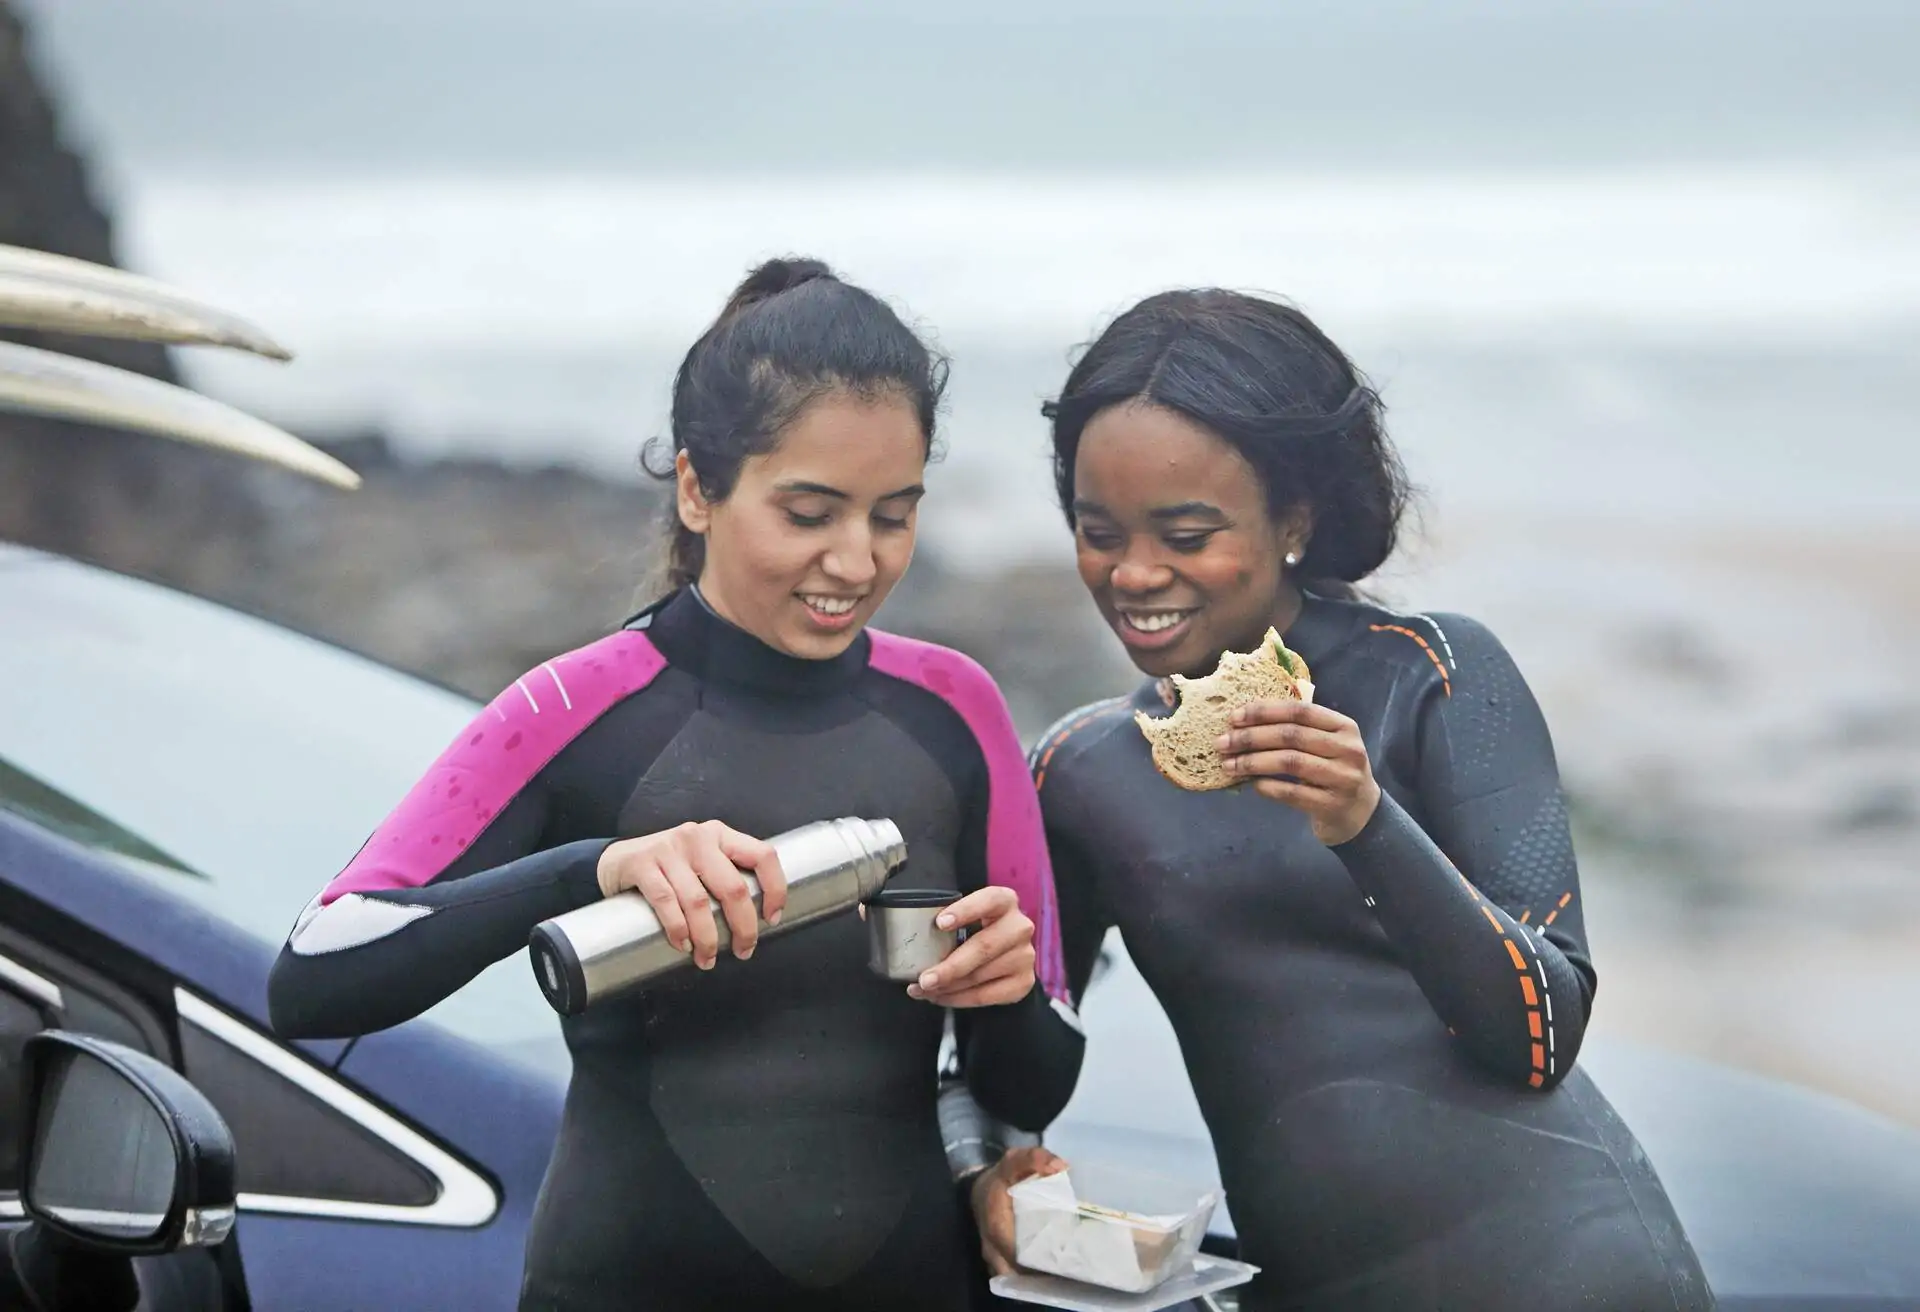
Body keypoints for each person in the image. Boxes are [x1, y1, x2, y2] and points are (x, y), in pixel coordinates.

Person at [266, 258, 1085, 1312]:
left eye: (893, 514)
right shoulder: (577, 707)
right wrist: (592, 873)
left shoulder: (953, 711)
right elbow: (315, 974)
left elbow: (1032, 1084)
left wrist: (1009, 993)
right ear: (698, 488)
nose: (856, 559)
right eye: (809, 512)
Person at [955, 289, 1714, 1310]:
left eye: (1186, 532)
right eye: (1100, 530)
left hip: (1566, 1274)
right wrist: (985, 1138)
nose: (1133, 573)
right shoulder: (1084, 771)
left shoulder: (1433, 676)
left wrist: (1366, 822)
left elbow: (1541, 1032)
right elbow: (1020, 1085)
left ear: (1296, 517)